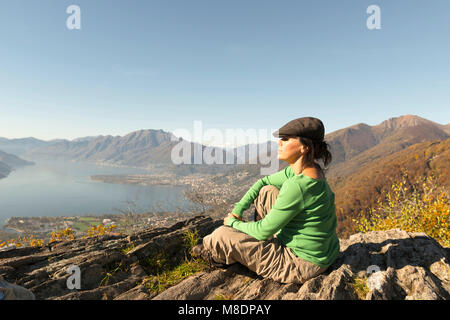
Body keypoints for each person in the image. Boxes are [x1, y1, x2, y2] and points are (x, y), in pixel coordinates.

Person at [192, 117, 340, 284]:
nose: (279, 143)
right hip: (322, 252)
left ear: (304, 147)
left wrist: (232, 222)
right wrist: (238, 210)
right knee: (267, 192)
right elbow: (263, 182)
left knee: (221, 235)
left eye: (285, 139)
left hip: (301, 264)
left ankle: (211, 252)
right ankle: (255, 245)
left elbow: (263, 231)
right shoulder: (308, 170)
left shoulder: (298, 185)